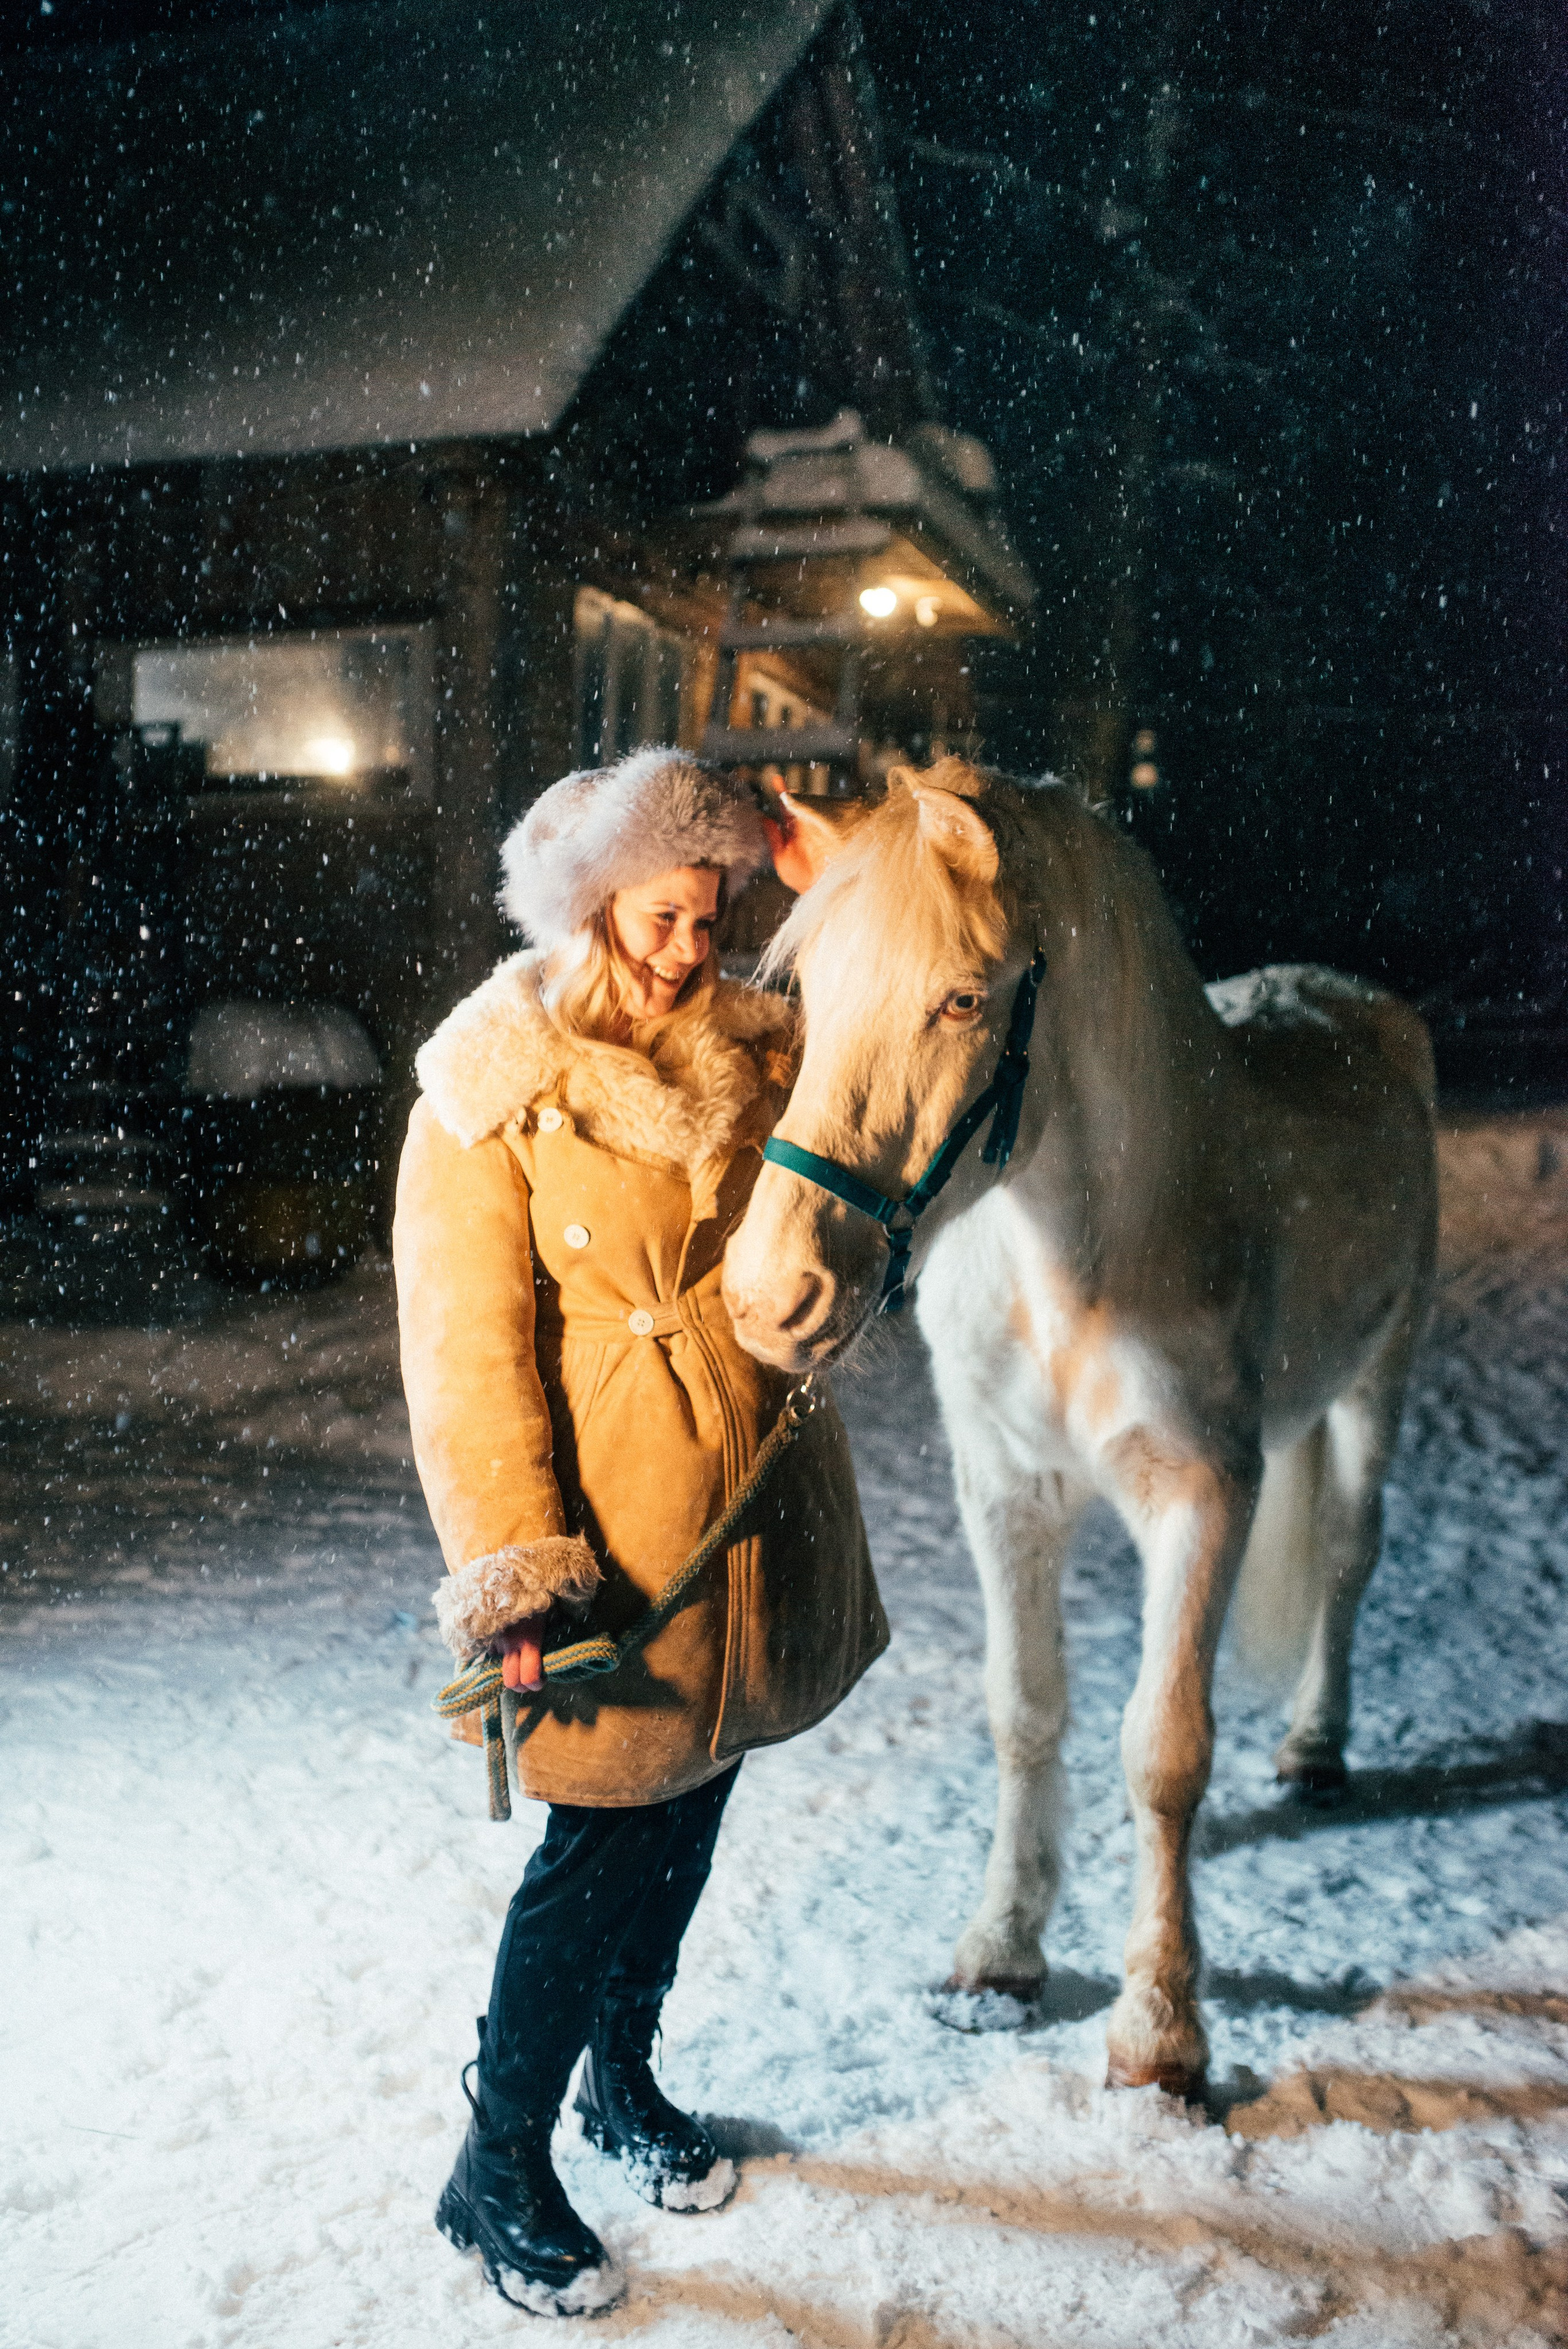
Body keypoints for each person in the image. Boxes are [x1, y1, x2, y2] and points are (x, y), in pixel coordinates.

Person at [393, 749, 887, 2317]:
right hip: (610, 1533)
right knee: (595, 1841)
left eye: (714, 911)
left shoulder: (764, 1043)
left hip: (752, 1504)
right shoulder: (495, 1080)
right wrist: (516, 1569)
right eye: (663, 916)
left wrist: (836, 871)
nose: (691, 946)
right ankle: (497, 2167)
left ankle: (624, 2083)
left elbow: (875, 1113)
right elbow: (464, 1359)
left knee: (693, 1808)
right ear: (592, 902)